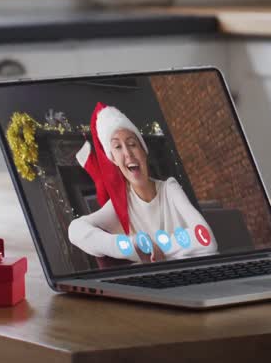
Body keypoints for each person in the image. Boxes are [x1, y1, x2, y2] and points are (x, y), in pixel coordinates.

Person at [68, 103, 217, 263]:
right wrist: (132, 245)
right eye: (118, 147)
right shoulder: (120, 205)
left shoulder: (169, 189)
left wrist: (154, 247)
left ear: (143, 151)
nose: (127, 153)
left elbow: (207, 241)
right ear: (115, 161)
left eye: (132, 144)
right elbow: (75, 231)